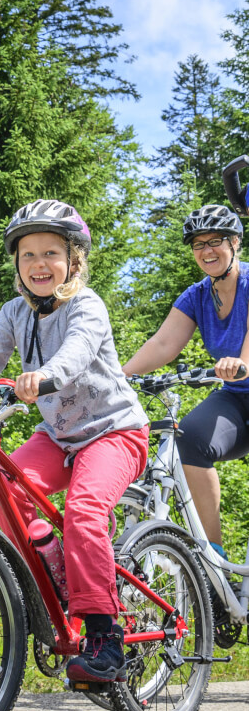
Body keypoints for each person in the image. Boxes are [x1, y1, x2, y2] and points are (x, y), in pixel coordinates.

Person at [0, 198, 149, 684]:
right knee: (3, 488)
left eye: (52, 253)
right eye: (29, 255)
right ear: (17, 265)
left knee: (83, 511)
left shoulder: (87, 304)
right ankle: (61, 578)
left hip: (114, 432)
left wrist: (44, 376)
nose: (40, 264)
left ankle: (106, 637)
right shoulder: (14, 313)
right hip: (58, 437)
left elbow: (77, 353)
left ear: (73, 260)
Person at [123, 203, 249, 560]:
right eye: (199, 244)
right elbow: (163, 344)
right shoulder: (197, 295)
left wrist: (240, 362)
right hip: (238, 395)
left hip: (241, 374)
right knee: (188, 440)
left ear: (235, 242)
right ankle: (215, 559)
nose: (207, 250)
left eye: (216, 241)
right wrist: (121, 376)